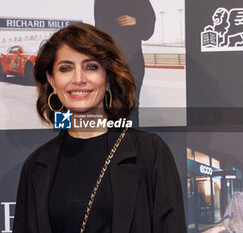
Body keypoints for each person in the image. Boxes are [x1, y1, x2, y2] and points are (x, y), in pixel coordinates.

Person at [13, 23, 186, 233]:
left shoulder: (150, 152)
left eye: (91, 67)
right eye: (66, 68)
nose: (78, 79)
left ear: (108, 78)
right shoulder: (36, 166)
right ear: (51, 80)